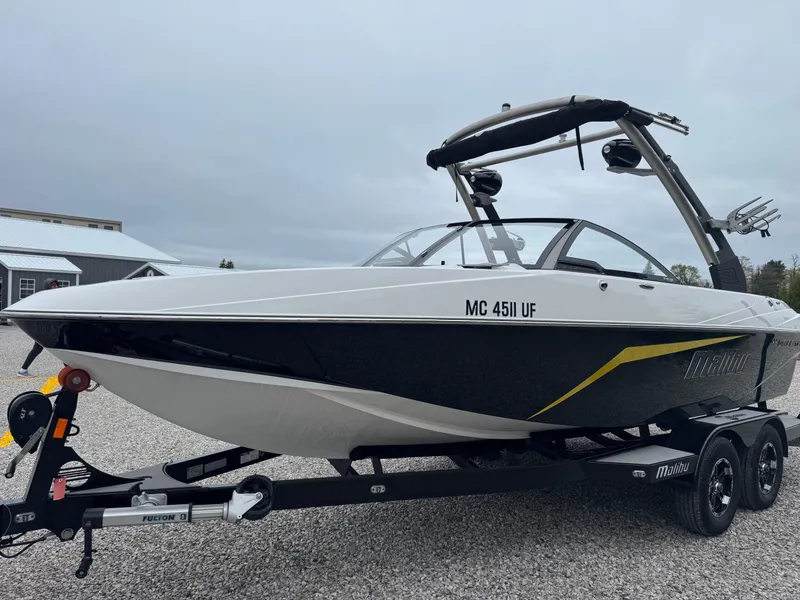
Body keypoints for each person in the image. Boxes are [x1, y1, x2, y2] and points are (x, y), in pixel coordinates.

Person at [17, 278, 60, 377]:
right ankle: (23, 370)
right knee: (57, 348)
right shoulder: (45, 298)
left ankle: (23, 370)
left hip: (51, 328)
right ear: (48, 286)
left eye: (56, 285)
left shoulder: (56, 297)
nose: (55, 287)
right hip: (45, 328)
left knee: (41, 349)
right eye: (53, 285)